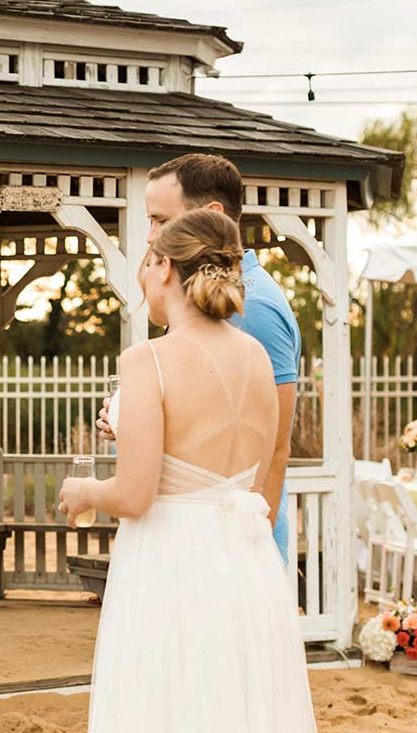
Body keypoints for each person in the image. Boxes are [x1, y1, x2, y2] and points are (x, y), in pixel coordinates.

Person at [60, 209, 338, 733]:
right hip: (246, 569)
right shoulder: (255, 359)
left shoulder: (146, 359)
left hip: (170, 570)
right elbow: (260, 475)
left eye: (147, 262)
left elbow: (135, 492)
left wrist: (84, 492)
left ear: (164, 268)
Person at [99, 153, 301, 564]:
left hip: (229, 546)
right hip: (189, 541)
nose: (151, 237)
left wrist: (256, 554)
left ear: (211, 214)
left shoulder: (254, 307)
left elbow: (275, 448)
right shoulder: (199, 304)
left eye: (161, 220)